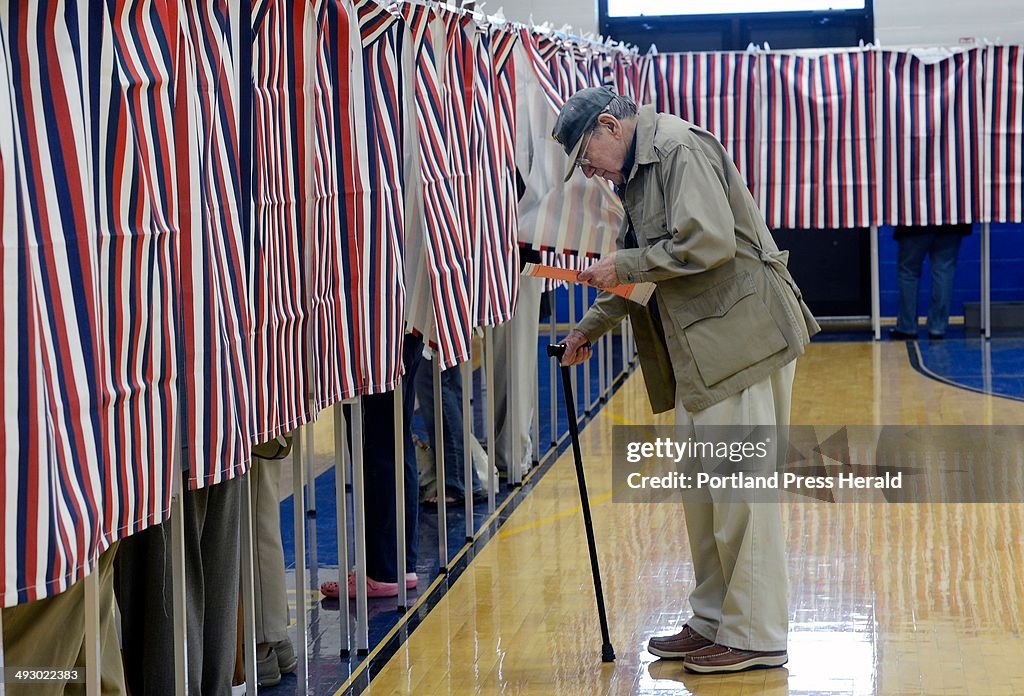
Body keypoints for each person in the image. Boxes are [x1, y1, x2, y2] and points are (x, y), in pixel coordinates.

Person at [554, 87, 819, 674]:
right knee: (704, 495)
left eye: (586, 155)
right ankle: (714, 620)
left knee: (741, 496)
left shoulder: (675, 148)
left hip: (742, 342)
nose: (591, 171)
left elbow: (707, 244)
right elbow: (655, 265)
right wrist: (591, 327)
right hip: (702, 350)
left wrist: (618, 266)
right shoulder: (639, 173)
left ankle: (754, 634)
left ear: (608, 126)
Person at [890, 224, 971, 340]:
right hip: (951, 220)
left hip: (915, 221)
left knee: (909, 271)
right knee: (944, 270)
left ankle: (907, 327)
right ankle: (938, 327)